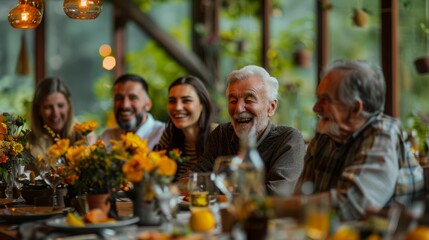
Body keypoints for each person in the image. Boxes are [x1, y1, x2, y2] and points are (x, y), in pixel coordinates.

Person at [286, 60, 424, 221]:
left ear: (355, 108)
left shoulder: (383, 133)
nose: (315, 108)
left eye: (325, 100)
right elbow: (302, 196)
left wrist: (273, 206)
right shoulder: (327, 134)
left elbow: (349, 207)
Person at [194, 65, 306, 196]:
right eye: (233, 100)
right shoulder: (220, 134)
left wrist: (223, 187)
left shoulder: (289, 139)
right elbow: (195, 181)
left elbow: (277, 194)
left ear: (271, 107)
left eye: (249, 100)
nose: (238, 109)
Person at [153, 75, 214, 181]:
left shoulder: (216, 135)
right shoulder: (169, 135)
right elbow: (155, 175)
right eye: (172, 101)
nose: (177, 107)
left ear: (202, 105)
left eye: (186, 100)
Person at [27, 77, 96, 160]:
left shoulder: (85, 137)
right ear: (38, 110)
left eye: (60, 105)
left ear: (69, 106)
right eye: (48, 107)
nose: (55, 113)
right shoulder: (28, 144)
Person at [100, 73, 165, 149]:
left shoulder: (164, 135)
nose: (125, 105)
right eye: (119, 98)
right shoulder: (107, 137)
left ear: (148, 104)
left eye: (133, 98)